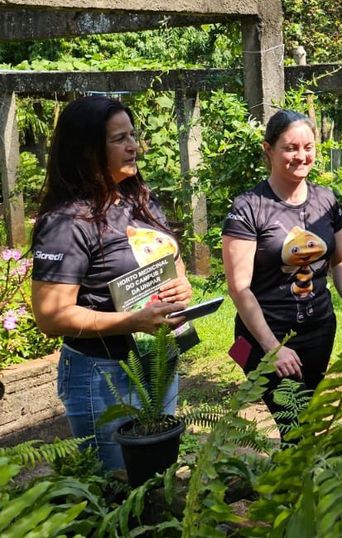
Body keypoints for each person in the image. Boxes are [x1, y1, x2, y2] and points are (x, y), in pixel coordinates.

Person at [31, 95, 193, 470]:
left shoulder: (138, 200)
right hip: (102, 375)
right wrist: (131, 322)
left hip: (155, 362)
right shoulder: (67, 223)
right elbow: (51, 318)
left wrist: (181, 287)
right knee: (116, 484)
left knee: (155, 476)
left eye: (133, 135)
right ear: (87, 150)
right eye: (119, 139)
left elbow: (173, 258)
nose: (134, 146)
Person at [222, 109, 342, 436]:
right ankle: (295, 480)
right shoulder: (248, 207)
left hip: (318, 330)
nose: (301, 156)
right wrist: (273, 348)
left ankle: (297, 478)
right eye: (290, 148)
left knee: (304, 417)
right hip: (265, 335)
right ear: (268, 150)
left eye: (308, 147)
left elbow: (340, 260)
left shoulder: (326, 200)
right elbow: (239, 288)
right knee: (294, 423)